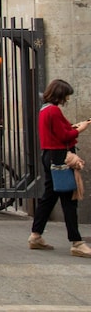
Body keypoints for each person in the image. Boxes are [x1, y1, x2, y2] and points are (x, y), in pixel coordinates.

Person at [29, 79, 91, 257]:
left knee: (49, 197)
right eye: (66, 96)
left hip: (49, 155)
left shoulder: (44, 110)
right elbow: (64, 135)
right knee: (69, 198)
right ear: (60, 94)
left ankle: (36, 235)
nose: (67, 99)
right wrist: (81, 129)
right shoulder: (54, 111)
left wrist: (74, 127)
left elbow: (56, 132)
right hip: (60, 157)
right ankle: (77, 242)